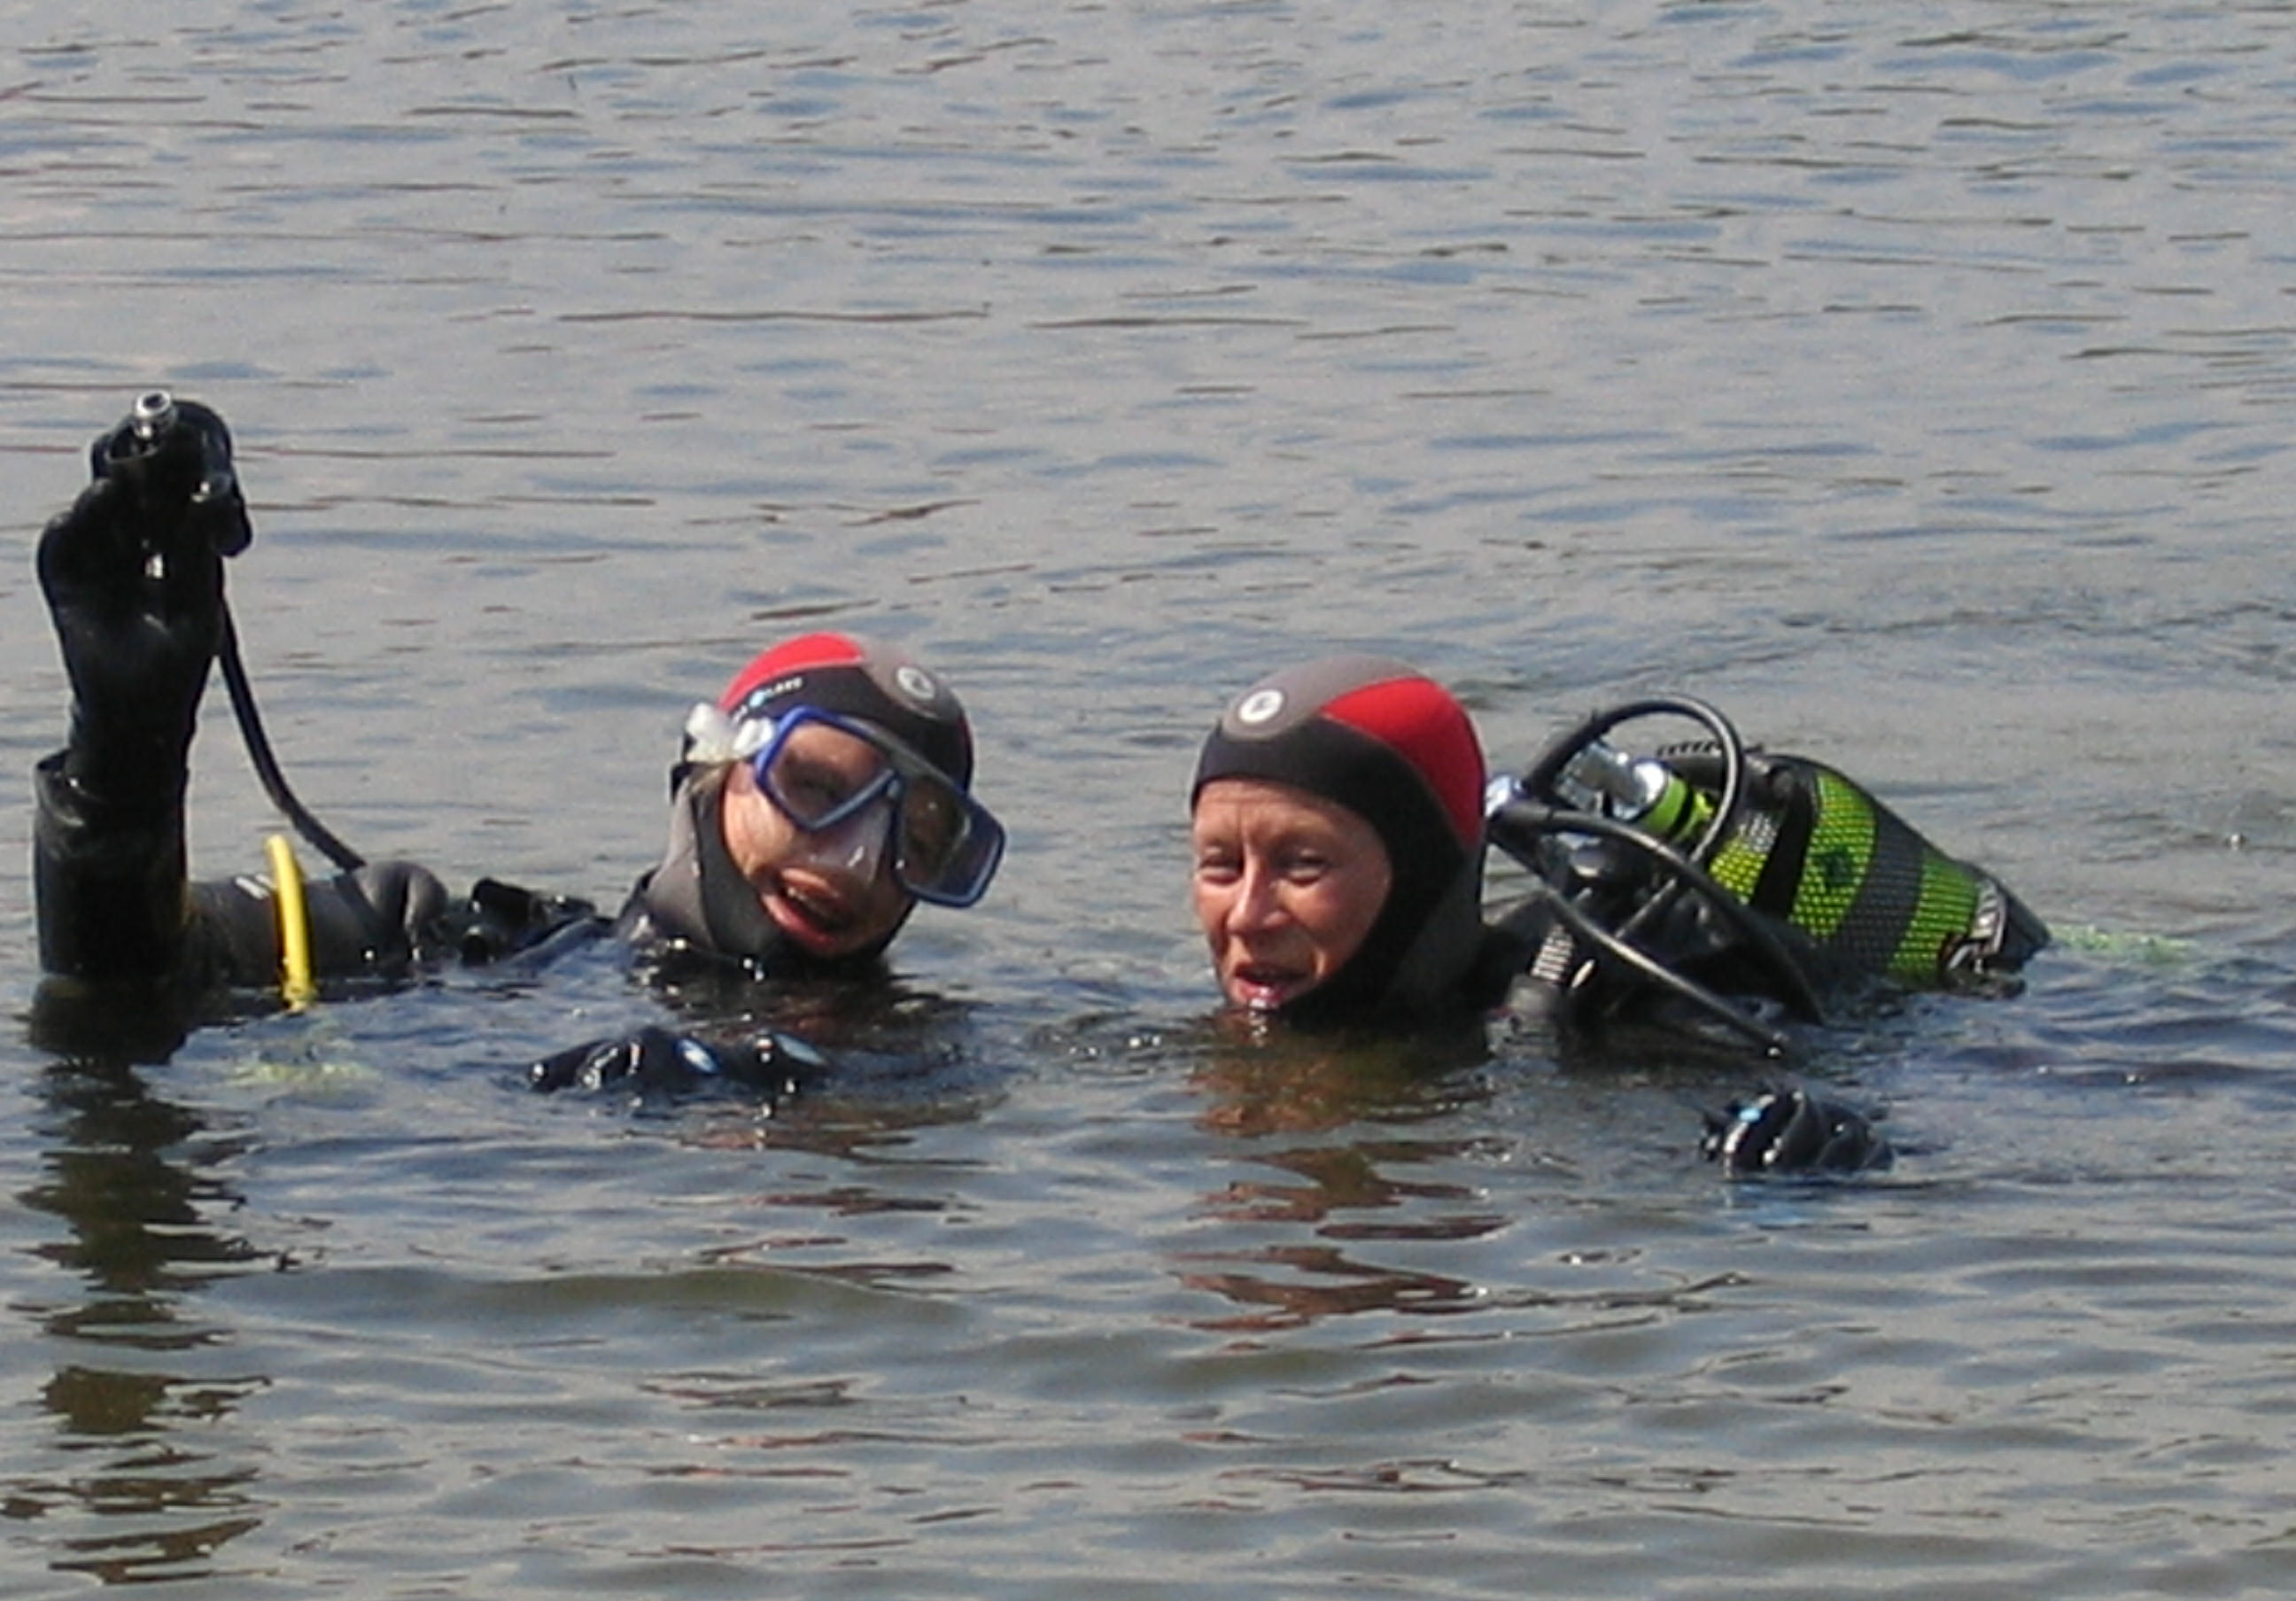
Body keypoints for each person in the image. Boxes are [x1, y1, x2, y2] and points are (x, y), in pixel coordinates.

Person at [27, 392, 1004, 1090]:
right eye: (815, 786)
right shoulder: (423, 943)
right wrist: (125, 756)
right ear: (705, 770)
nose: (853, 861)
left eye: (917, 839)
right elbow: (114, 994)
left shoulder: (943, 1063)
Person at [1188, 655, 2047, 1175]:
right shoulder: (1223, 1038)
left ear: (1422, 872)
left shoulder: (1634, 996)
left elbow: (1961, 1100)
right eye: (1221, 866)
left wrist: (1834, 1151)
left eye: (1302, 866)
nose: (1248, 915)